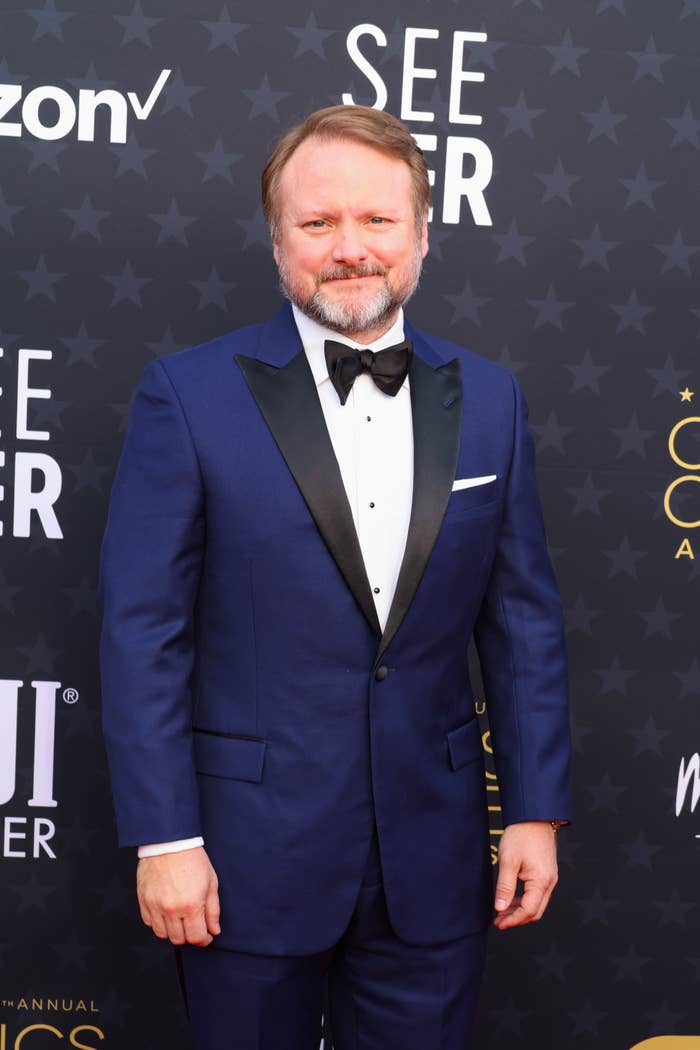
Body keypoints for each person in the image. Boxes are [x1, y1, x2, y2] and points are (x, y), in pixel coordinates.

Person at [99, 104, 572, 1050]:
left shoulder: (492, 399)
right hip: (239, 861)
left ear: (424, 235)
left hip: (434, 860)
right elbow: (143, 630)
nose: (350, 247)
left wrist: (534, 809)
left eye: (378, 220)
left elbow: (520, 622)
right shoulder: (186, 395)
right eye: (318, 224)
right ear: (278, 246)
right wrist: (166, 840)